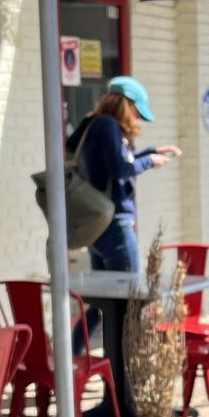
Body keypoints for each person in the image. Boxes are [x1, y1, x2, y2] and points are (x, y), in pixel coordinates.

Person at [65, 76, 180, 272]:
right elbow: (120, 169)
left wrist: (151, 152)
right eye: (137, 113)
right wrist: (150, 161)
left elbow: (114, 162)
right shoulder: (109, 125)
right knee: (129, 297)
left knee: (105, 298)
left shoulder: (93, 124)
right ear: (127, 105)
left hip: (97, 225)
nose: (136, 119)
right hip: (116, 224)